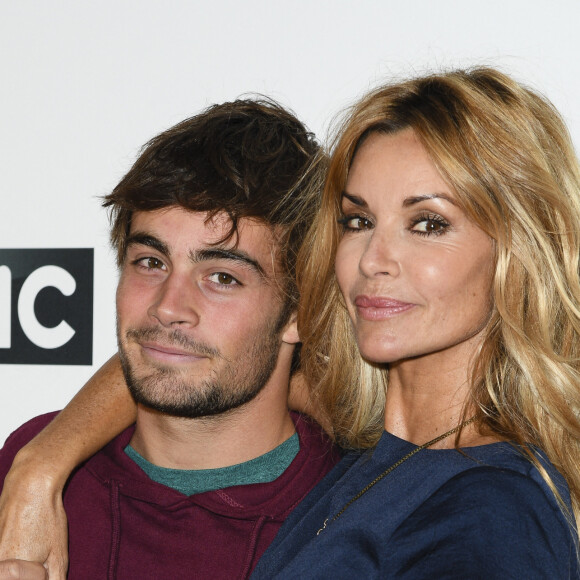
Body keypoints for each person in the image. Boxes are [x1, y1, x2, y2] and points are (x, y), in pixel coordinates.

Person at [2, 67, 580, 578]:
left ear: (520, 252)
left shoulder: (489, 509)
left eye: (428, 223)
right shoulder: (385, 457)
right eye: (357, 221)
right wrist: (39, 463)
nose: (373, 259)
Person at [0, 98, 339, 579]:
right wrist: (37, 466)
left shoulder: (360, 511)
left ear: (301, 312)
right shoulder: (26, 474)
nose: (167, 307)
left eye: (222, 277)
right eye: (150, 262)